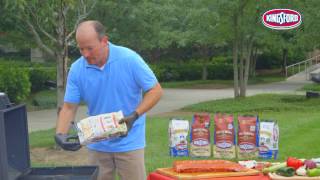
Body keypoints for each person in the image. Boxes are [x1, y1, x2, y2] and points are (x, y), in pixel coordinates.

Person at [54, 20, 163, 180]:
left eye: (90, 48)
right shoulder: (77, 69)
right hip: (97, 143)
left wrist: (135, 115)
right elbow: (69, 107)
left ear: (104, 41)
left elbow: (155, 90)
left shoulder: (129, 59)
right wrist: (60, 134)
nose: (85, 54)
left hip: (129, 141)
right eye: (81, 48)